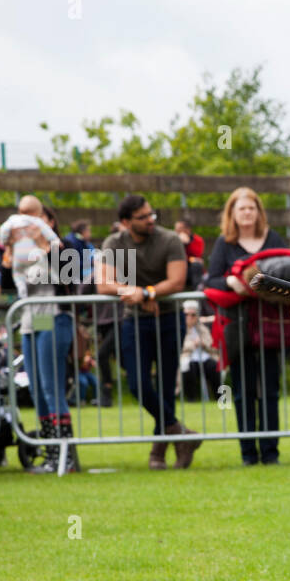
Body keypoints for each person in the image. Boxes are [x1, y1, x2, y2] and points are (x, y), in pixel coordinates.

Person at [96, 194, 199, 470]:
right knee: (137, 384)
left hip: (168, 319)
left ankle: (158, 453)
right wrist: (131, 292)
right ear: (126, 222)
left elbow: (176, 281)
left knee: (166, 386)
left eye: (152, 214)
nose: (150, 220)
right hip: (135, 320)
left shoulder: (169, 239)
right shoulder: (114, 243)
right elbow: (103, 283)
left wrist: (147, 292)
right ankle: (182, 434)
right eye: (143, 217)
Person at [204, 188, 287, 466]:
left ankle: (271, 452)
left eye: (251, 208)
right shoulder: (224, 244)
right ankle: (248, 453)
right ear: (233, 214)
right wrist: (230, 282)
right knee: (242, 391)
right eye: (241, 209)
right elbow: (210, 281)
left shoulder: (273, 239)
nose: (247, 213)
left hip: (270, 325)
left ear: (258, 212)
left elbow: (288, 271)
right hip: (237, 327)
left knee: (270, 390)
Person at [0, 196, 75, 473]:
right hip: (33, 319)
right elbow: (6, 286)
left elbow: (71, 279)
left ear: (48, 220)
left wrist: (47, 246)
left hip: (54, 314)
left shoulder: (59, 245)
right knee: (37, 389)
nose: (26, 222)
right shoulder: (20, 251)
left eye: (33, 216)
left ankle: (66, 457)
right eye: (21, 215)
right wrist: (7, 255)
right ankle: (52, 454)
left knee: (51, 387)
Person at [178, 299, 220, 401]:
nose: (190, 317)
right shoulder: (179, 328)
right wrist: (192, 344)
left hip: (204, 357)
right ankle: (191, 399)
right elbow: (178, 346)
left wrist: (203, 343)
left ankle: (220, 399)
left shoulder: (202, 329)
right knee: (188, 368)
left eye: (193, 315)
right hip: (187, 358)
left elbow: (213, 345)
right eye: (187, 314)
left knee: (214, 366)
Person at [174, 219, 207, 289]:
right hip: (178, 269)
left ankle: (197, 291)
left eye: (179, 229)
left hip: (192, 270)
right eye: (176, 229)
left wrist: (188, 243)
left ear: (187, 230)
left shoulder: (198, 240)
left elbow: (197, 256)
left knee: (197, 264)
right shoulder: (174, 241)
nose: (176, 231)